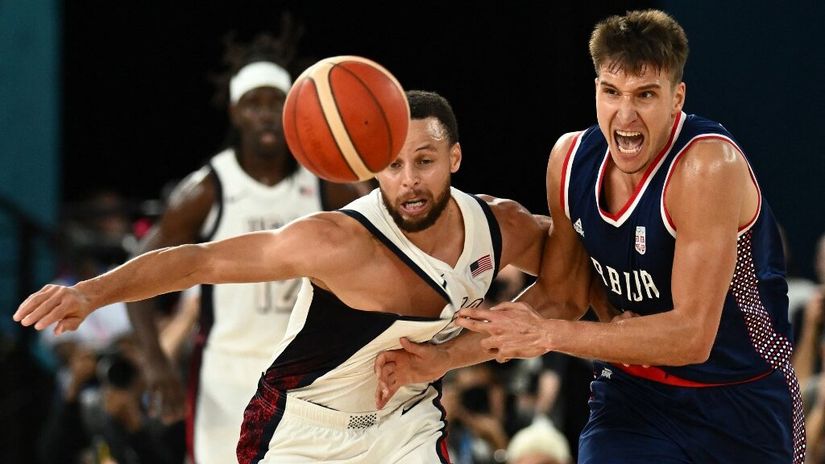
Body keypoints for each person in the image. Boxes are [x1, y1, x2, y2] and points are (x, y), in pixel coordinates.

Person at [14, 90, 550, 463]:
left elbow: (573, 280)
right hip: (304, 429)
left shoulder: (498, 225)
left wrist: (467, 350)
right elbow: (198, 259)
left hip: (405, 424)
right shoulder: (335, 239)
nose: (408, 181)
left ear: (455, 157)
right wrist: (90, 292)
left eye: (425, 161)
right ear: (371, 169)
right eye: (392, 165)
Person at [375, 10, 803, 463]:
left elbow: (690, 337)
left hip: (742, 400)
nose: (625, 113)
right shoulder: (570, 159)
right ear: (595, 89)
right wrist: (440, 358)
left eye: (645, 95)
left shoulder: (706, 166)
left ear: (677, 99)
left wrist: (549, 336)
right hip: (634, 397)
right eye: (611, 92)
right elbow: (562, 296)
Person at [124, 29, 364, 464]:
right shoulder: (208, 189)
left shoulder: (325, 184)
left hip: (304, 371)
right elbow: (138, 271)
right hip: (225, 372)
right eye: (255, 104)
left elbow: (378, 252)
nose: (267, 115)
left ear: (292, 110)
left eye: (276, 102)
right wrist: (156, 364)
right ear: (236, 113)